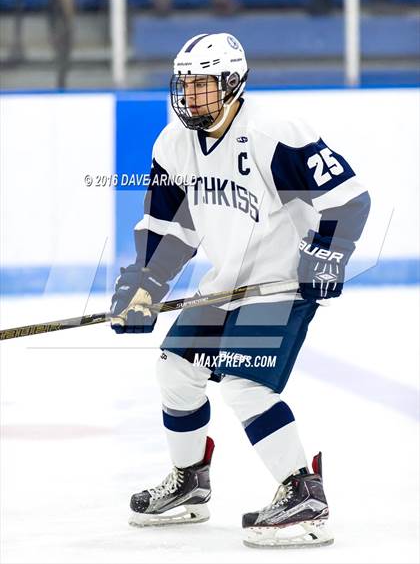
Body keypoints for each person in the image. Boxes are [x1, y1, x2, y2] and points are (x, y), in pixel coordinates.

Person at [110, 33, 370, 548]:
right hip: (225, 286)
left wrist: (327, 253)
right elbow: (169, 226)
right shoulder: (174, 143)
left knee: (244, 386)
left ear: (232, 84)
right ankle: (189, 484)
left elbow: (350, 199)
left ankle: (303, 492)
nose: (190, 96)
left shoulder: (276, 134)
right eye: (185, 85)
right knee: (176, 371)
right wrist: (145, 282)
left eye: (203, 85)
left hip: (279, 286)